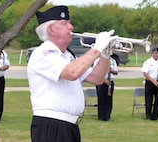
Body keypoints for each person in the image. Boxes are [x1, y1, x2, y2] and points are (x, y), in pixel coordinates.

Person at [27, 5, 117, 142]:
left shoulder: (68, 56)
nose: (71, 27)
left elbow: (97, 78)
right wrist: (97, 48)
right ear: (51, 29)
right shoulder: (43, 53)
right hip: (51, 125)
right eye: (64, 23)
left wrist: (105, 54)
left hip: (69, 126)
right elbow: (72, 72)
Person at [140, 47, 158, 121]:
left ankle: (155, 116)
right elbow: (145, 73)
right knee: (149, 100)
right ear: (152, 54)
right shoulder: (148, 62)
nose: (157, 55)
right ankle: (148, 116)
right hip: (150, 82)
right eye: (156, 53)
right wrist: (153, 81)